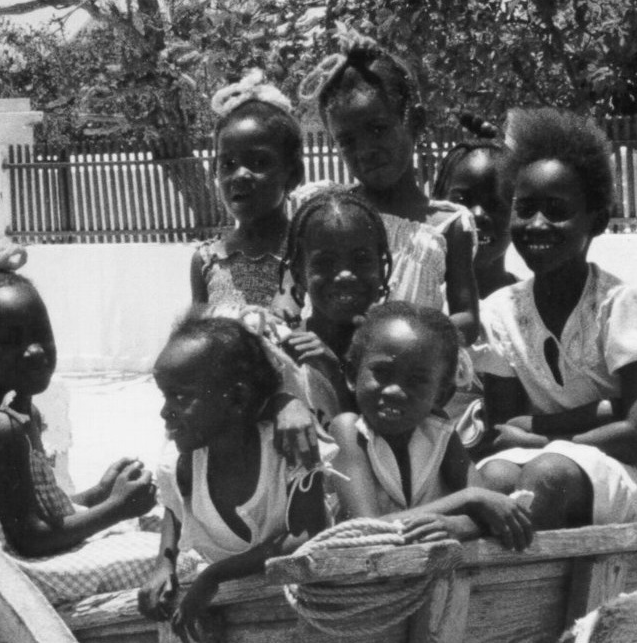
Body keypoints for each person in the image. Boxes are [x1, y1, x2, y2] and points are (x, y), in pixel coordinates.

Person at [472, 108, 637, 529]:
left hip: (629, 467)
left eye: (556, 210)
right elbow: (505, 428)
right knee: (492, 477)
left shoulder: (621, 305)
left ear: (597, 221)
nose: (536, 224)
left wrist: (545, 434)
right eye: (525, 208)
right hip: (555, 452)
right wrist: (605, 411)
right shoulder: (499, 313)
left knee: (548, 475)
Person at [0, 241, 165, 605]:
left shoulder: (21, 416)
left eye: (41, 334)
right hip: (5, 585)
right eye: (11, 342)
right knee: (167, 556)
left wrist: (98, 494)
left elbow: (32, 508)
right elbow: (31, 537)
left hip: (17, 565)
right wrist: (117, 507)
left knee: (155, 528)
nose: (36, 350)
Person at [140, 313, 333, 639]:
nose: (165, 410)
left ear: (239, 398)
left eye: (182, 396)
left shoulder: (292, 446)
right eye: (165, 395)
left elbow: (305, 536)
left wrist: (215, 576)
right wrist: (164, 564)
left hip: (297, 597)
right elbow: (174, 510)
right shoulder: (182, 462)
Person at [301, 45, 477, 336]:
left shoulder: (448, 225)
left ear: (416, 122)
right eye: (347, 141)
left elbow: (467, 321)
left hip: (409, 376)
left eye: (378, 129)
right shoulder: (332, 212)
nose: (365, 149)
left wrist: (398, 336)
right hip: (330, 367)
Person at [328, 302, 530, 548]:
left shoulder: (440, 433)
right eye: (381, 372)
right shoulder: (348, 430)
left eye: (417, 380)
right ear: (351, 375)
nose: (394, 390)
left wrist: (464, 524)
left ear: (441, 395)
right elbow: (365, 530)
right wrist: (468, 498)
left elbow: (488, 508)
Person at [269, 190, 393, 422]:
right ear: (298, 273)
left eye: (361, 259)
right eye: (324, 263)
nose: (345, 275)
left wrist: (334, 374)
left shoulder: (395, 349)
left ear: (381, 266)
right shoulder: (281, 354)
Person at [190, 71, 305, 320]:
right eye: (228, 163)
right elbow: (196, 339)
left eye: (259, 162)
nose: (240, 175)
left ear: (293, 174)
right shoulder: (207, 261)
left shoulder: (306, 253)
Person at [432, 140, 517, 300]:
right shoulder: (424, 300)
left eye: (494, 203)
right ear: (438, 202)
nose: (477, 215)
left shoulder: (534, 306)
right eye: (462, 200)